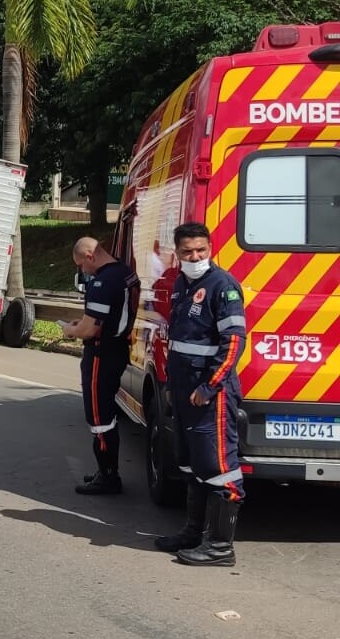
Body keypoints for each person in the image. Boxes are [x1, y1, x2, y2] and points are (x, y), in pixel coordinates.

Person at [154, 222, 246, 567]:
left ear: (210, 248)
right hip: (182, 391)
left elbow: (234, 341)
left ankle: (221, 548)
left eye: (200, 250)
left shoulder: (222, 286)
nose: (195, 257)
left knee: (219, 467)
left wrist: (209, 387)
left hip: (211, 395)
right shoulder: (182, 283)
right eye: (187, 252)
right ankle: (193, 533)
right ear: (177, 253)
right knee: (192, 466)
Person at [63, 237, 140, 495]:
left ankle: (108, 477)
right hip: (117, 349)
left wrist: (71, 331)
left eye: (81, 265)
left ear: (89, 256)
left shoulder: (102, 282)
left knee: (99, 418)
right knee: (105, 413)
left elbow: (90, 328)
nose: (82, 271)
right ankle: (106, 472)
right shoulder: (125, 273)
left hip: (100, 354)